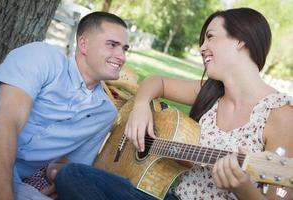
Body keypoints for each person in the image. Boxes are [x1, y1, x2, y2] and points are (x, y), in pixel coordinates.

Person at [54, 7, 293, 200]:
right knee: (71, 175)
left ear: (240, 40)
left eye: (210, 37)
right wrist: (141, 106)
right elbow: (156, 81)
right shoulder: (210, 92)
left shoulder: (281, 114)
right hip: (170, 195)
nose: (202, 47)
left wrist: (243, 189)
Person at [0, 11, 129, 200]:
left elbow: (67, 165)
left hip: (15, 181)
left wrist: (58, 177)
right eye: (112, 45)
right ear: (84, 44)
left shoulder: (104, 113)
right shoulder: (42, 57)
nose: (121, 56)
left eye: (124, 49)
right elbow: (6, 123)